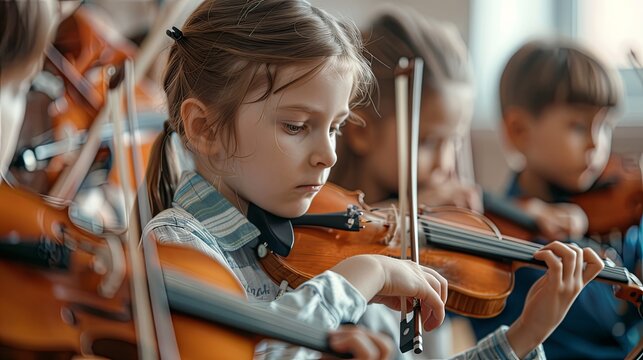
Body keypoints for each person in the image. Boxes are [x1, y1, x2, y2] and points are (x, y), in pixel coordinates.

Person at [142, 1, 604, 359]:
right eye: (297, 126)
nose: (328, 154)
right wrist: (360, 276)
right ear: (204, 129)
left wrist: (523, 337)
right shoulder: (179, 251)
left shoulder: (323, 253)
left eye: (336, 126)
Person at [468, 39, 642, 359]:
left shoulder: (622, 221)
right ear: (519, 130)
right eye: (577, 126)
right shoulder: (494, 236)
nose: (596, 143)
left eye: (604, 126)